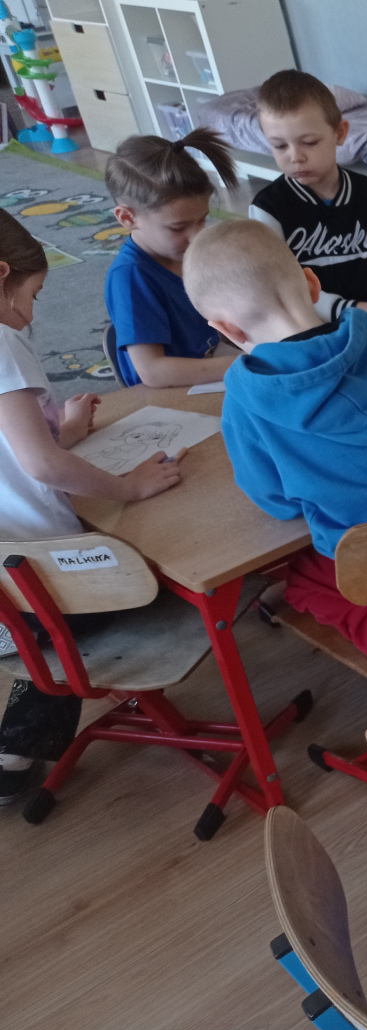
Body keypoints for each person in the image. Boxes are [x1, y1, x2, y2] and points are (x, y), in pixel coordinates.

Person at [182, 218, 367, 655]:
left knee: (299, 580)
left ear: (227, 329)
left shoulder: (246, 399)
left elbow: (275, 502)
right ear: (312, 284)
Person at [0, 210, 184, 803]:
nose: (32, 316)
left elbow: (16, 450)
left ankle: (13, 753)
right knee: (164, 573)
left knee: (49, 624)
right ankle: (16, 746)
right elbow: (40, 466)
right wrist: (129, 486)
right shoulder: (2, 339)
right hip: (38, 588)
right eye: (32, 296)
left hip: (8, 597)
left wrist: (65, 432)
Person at [248, 68, 367, 331]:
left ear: (340, 133)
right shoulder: (267, 210)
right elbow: (277, 289)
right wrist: (357, 311)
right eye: (279, 146)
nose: (296, 157)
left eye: (309, 142)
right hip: (314, 329)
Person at [103, 128, 243, 388]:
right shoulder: (130, 276)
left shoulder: (188, 253)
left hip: (210, 373)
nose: (196, 235)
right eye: (178, 227)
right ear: (127, 218)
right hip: (168, 395)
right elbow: (153, 372)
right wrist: (248, 363)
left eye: (202, 220)